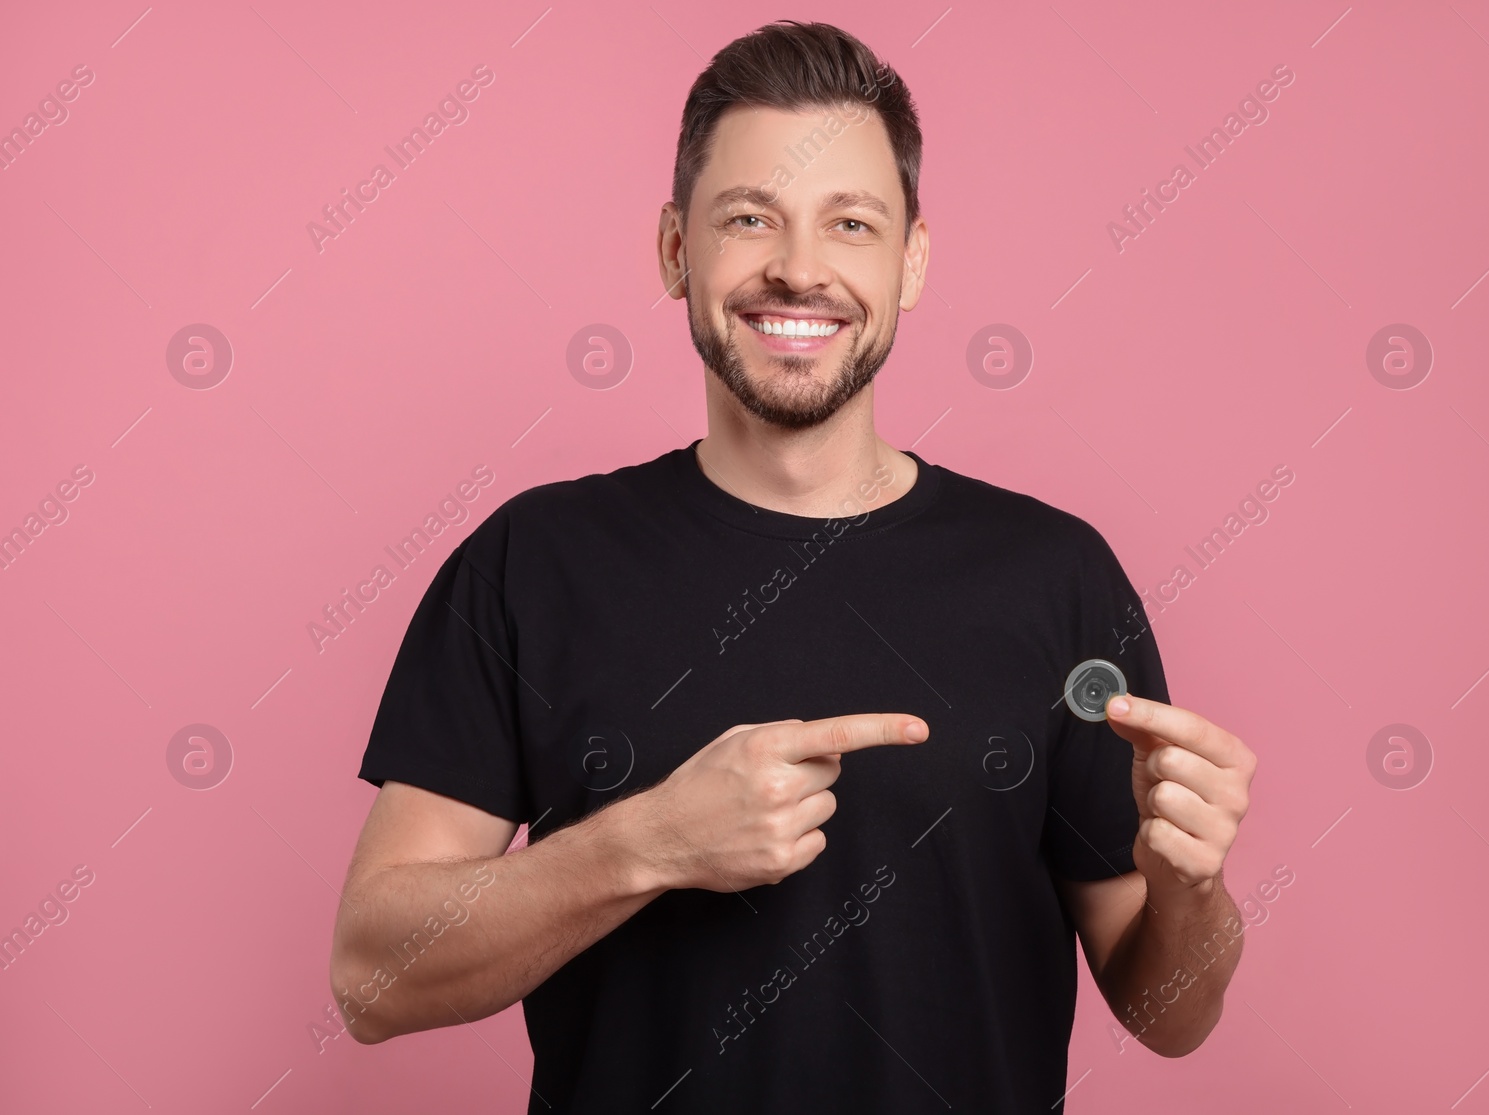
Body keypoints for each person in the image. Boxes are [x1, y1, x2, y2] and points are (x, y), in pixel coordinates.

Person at [329, 20, 1257, 1113]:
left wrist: (1193, 888)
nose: (799, 269)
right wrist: (648, 841)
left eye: (850, 223)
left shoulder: (1056, 576)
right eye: (748, 218)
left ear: (909, 262)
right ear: (677, 250)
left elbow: (1167, 1015)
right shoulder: (531, 564)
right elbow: (370, 976)